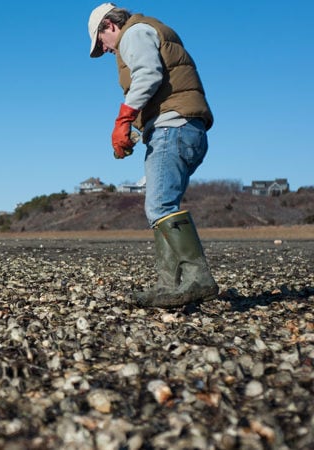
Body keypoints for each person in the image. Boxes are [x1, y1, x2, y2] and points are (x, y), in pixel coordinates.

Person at [87, 3, 218, 308]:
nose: (105, 50)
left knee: (159, 205)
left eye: (100, 42)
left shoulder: (134, 33)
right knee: (163, 205)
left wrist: (123, 119)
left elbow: (148, 76)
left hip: (173, 128)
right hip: (184, 128)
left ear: (109, 26)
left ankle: (197, 279)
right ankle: (170, 285)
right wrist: (135, 130)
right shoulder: (151, 31)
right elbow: (163, 86)